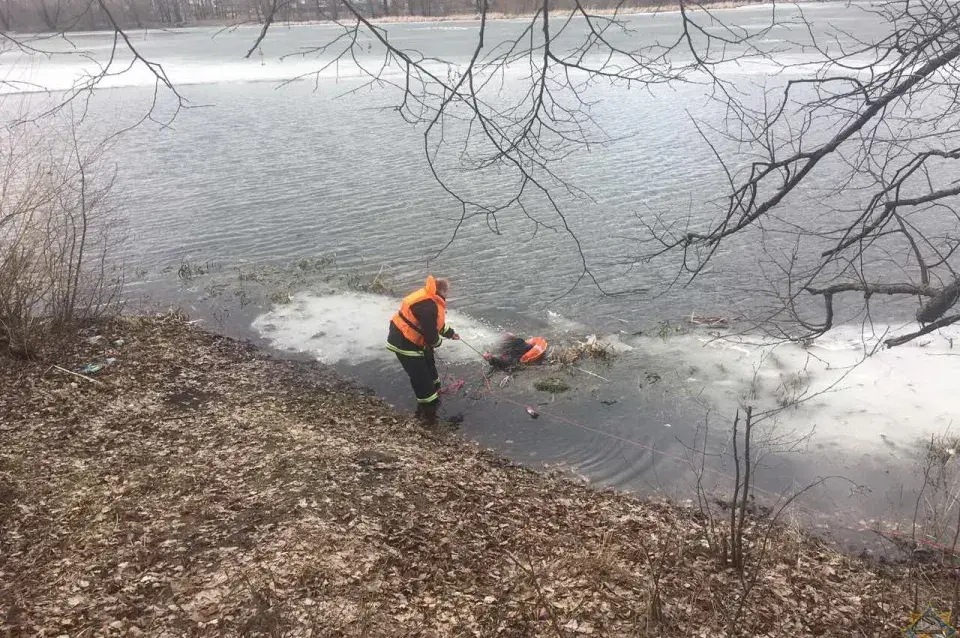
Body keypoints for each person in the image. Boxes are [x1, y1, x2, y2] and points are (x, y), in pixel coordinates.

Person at [386, 275, 459, 420]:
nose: (448, 296)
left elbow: (435, 324)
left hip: (416, 341)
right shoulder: (427, 305)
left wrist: (451, 334)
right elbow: (432, 338)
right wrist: (438, 343)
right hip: (404, 342)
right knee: (420, 377)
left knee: (430, 367)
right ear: (443, 291)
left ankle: (435, 389)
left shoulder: (431, 299)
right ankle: (428, 412)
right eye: (448, 293)